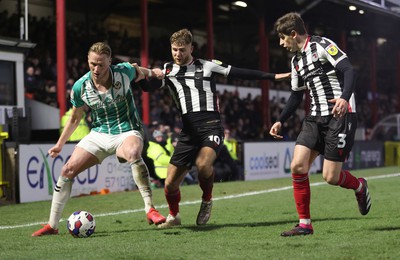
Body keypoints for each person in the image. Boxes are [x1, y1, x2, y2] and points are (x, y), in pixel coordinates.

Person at [142, 28, 290, 228]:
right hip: (188, 133)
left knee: (203, 164)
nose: (178, 54)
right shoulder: (168, 70)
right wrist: (142, 75)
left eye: (182, 50)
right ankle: (174, 216)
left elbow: (240, 73)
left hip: (211, 127)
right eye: (174, 50)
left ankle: (207, 199)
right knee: (169, 184)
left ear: (191, 48)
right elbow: (147, 88)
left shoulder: (207, 66)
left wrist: (274, 77)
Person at [31, 42, 166, 236]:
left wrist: (153, 72)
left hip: (127, 130)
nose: (96, 68)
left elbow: (140, 71)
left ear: (110, 62)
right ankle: (52, 225)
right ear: (88, 60)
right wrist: (59, 144)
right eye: (93, 63)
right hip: (100, 133)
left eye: (101, 64)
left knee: (133, 153)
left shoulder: (123, 72)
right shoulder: (80, 87)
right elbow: (75, 118)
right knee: (67, 170)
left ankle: (150, 209)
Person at [269, 12, 371, 237]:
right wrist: (280, 120)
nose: (281, 43)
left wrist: (344, 97)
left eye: (282, 38)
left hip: (340, 116)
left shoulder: (323, 45)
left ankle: (360, 187)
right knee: (297, 165)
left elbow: (348, 70)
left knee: (331, 177)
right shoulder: (296, 61)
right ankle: (305, 224)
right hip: (315, 118)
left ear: (293, 34)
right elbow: (296, 96)